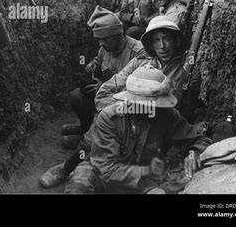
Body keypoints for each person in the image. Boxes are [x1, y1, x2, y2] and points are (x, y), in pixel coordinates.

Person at [39, 6, 146, 189]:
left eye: (104, 39)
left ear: (117, 34)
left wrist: (104, 89)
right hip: (104, 97)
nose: (100, 44)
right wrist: (92, 67)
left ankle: (67, 167)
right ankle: (84, 130)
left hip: (128, 106)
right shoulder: (105, 48)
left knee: (95, 137)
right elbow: (99, 61)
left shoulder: (138, 53)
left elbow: (138, 88)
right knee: (76, 97)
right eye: (98, 40)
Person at [64, 65, 212, 194]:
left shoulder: (167, 116)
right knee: (81, 179)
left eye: (154, 105)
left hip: (143, 185)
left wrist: (193, 153)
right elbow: (106, 169)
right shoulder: (109, 118)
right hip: (105, 178)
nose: (149, 109)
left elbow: (198, 138)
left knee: (175, 184)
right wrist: (148, 171)